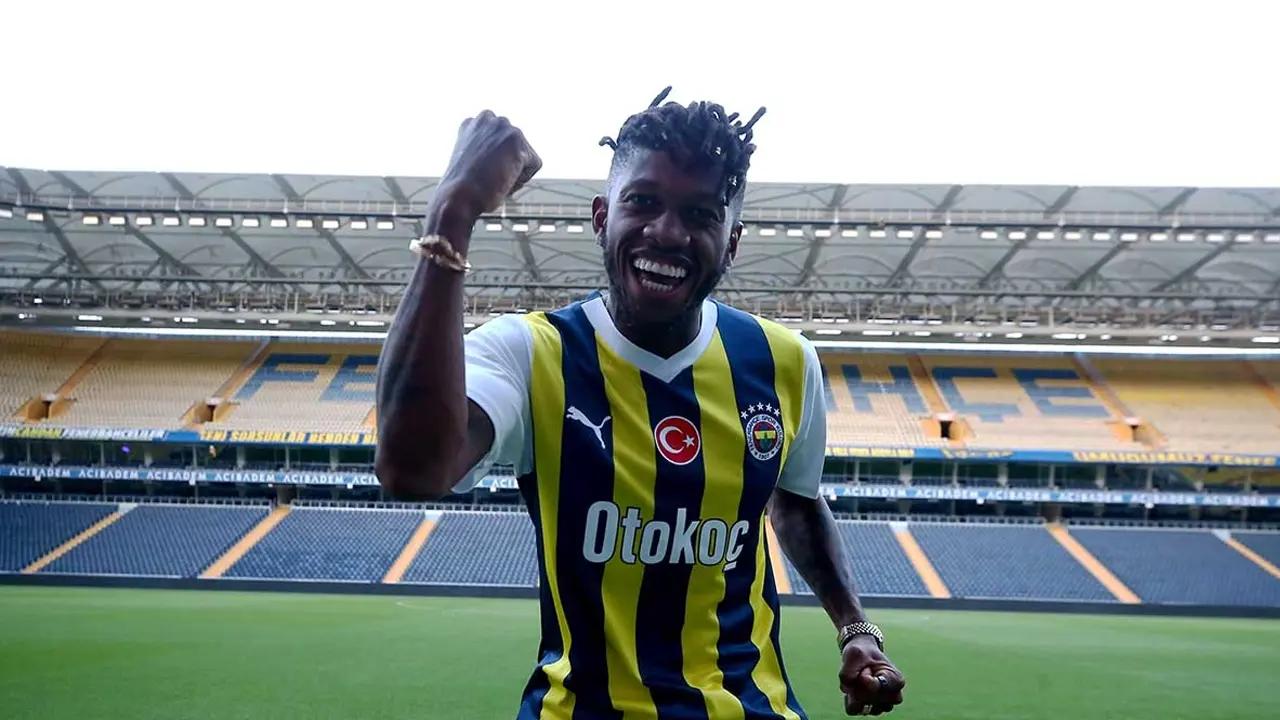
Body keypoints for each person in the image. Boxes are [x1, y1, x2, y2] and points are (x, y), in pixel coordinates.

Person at [376, 88, 906, 719]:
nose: (667, 232)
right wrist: (453, 210)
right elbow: (411, 468)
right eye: (643, 202)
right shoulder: (531, 352)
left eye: (701, 214)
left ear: (732, 243)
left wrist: (854, 627)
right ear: (602, 217)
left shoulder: (784, 362)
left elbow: (794, 499)